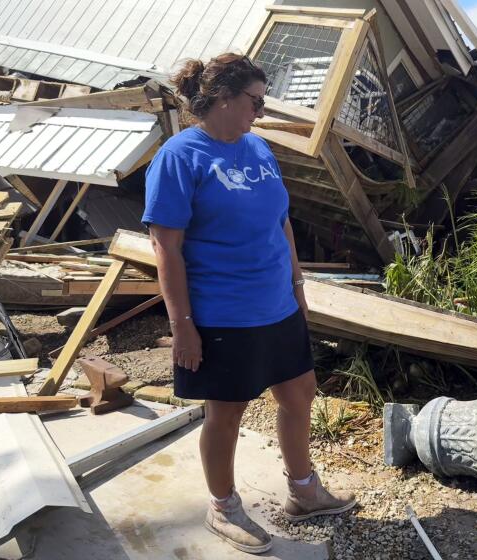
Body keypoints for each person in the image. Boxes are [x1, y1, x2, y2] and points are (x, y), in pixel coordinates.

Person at [142, 53, 356, 555]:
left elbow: (282, 224)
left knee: (299, 393)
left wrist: (299, 289)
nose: (260, 112)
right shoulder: (180, 157)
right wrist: (183, 327)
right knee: (227, 413)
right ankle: (223, 507)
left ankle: (303, 491)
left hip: (276, 304)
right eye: (255, 101)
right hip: (222, 312)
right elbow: (165, 249)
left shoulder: (259, 150)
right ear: (222, 98)